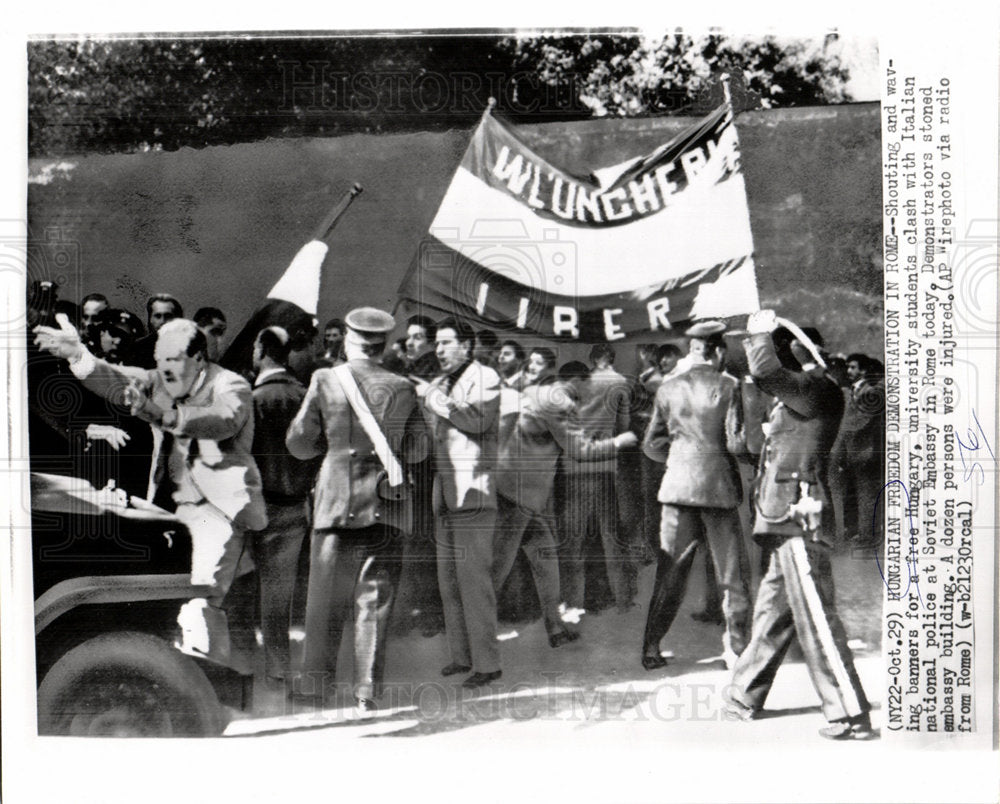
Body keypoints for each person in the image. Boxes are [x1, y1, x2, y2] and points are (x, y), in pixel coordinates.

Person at [33, 315, 267, 667]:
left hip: (221, 514)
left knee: (220, 605)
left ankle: (236, 687)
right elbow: (115, 378)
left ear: (199, 360)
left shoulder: (231, 386)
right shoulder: (161, 379)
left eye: (171, 361)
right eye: (159, 361)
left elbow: (219, 421)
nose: (161, 370)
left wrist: (156, 413)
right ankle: (197, 678)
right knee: (183, 606)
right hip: (176, 513)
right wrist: (78, 354)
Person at [725, 310, 872, 740]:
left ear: (795, 352)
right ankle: (742, 695)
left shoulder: (817, 388)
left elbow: (765, 370)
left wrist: (756, 332)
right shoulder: (808, 393)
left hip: (799, 518)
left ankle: (848, 711)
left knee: (817, 618)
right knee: (773, 612)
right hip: (785, 517)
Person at [286, 307, 424, 712]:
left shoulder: (326, 379)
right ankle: (366, 692)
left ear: (349, 340)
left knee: (324, 599)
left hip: (336, 502)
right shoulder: (403, 386)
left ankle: (316, 689)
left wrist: (328, 450)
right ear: (382, 345)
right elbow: (417, 450)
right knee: (375, 599)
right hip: (387, 503)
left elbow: (298, 442)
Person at [495, 346, 637, 649]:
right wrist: (620, 442)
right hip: (519, 494)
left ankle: (555, 628)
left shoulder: (540, 393)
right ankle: (474, 638)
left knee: (546, 562)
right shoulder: (557, 402)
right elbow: (580, 450)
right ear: (578, 384)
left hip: (522, 492)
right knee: (497, 570)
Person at [640, 321, 751, 670]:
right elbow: (735, 442)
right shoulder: (729, 386)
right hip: (718, 488)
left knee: (670, 571)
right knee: (731, 574)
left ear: (692, 350)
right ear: (718, 351)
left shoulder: (667, 389)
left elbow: (651, 445)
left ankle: (651, 647)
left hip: (676, 489)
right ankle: (737, 651)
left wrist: (677, 460)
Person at [412, 317, 502, 688]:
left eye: (447, 343)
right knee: (448, 581)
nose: (440, 349)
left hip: (473, 493)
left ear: (467, 346)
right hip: (445, 494)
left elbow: (477, 421)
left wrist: (433, 399)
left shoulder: (486, 378)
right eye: (438, 343)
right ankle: (461, 656)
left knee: (474, 581)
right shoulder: (437, 384)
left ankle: (488, 663)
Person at [250, 326, 316, 684]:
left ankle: (246, 666)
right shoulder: (304, 395)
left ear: (261, 349)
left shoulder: (253, 398)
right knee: (279, 596)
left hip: (258, 505)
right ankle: (278, 668)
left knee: (244, 591)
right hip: (295, 506)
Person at [560, 343, 634, 613]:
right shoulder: (621, 384)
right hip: (606, 466)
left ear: (593, 360)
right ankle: (624, 601)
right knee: (611, 537)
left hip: (575, 467)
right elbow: (624, 427)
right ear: (611, 358)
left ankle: (572, 603)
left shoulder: (579, 383)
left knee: (574, 539)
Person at [829, 353, 885, 547]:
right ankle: (864, 533)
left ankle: (868, 535)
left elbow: (860, 421)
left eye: (853, 367)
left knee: (867, 492)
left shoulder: (868, 392)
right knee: (862, 491)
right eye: (848, 367)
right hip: (856, 450)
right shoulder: (855, 390)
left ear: (863, 370)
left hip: (866, 450)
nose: (849, 371)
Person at [132, 293, 184, 368]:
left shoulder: (188, 346)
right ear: (150, 319)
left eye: (168, 316)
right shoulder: (138, 348)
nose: (162, 321)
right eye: (157, 316)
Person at [405, 314, 439, 379]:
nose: (409, 343)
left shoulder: (430, 369)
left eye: (417, 338)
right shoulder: (417, 365)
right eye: (408, 337)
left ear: (432, 343)